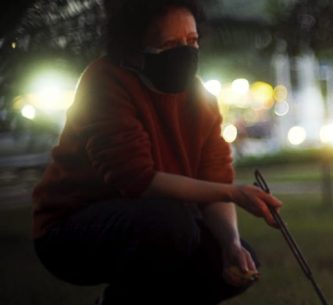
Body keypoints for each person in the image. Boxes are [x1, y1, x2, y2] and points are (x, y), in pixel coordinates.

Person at [30, 0, 283, 304]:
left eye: (192, 41)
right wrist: (234, 193)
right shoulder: (105, 82)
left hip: (157, 219)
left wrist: (230, 243)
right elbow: (136, 179)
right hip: (71, 230)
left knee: (233, 261)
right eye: (170, 44)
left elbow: (214, 175)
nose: (186, 52)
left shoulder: (200, 97)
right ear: (135, 48)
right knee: (172, 225)